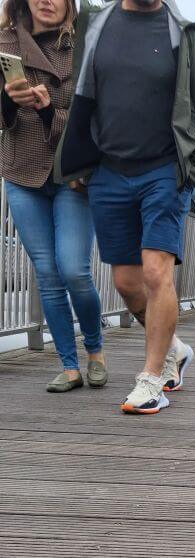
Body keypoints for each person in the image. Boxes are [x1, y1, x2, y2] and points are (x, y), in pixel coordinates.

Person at [55, 0, 195, 414]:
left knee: (155, 271)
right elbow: (80, 97)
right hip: (109, 173)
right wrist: (81, 160)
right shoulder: (96, 24)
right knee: (127, 284)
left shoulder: (183, 34)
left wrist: (187, 174)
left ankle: (152, 380)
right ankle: (176, 350)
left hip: (163, 173)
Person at [0, 0, 106, 393]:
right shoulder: (3, 41)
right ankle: (69, 365)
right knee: (46, 274)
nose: (46, 1)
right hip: (22, 173)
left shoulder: (86, 45)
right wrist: (7, 102)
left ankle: (95, 351)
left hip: (71, 174)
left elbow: (95, 120)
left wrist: (48, 112)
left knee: (74, 270)